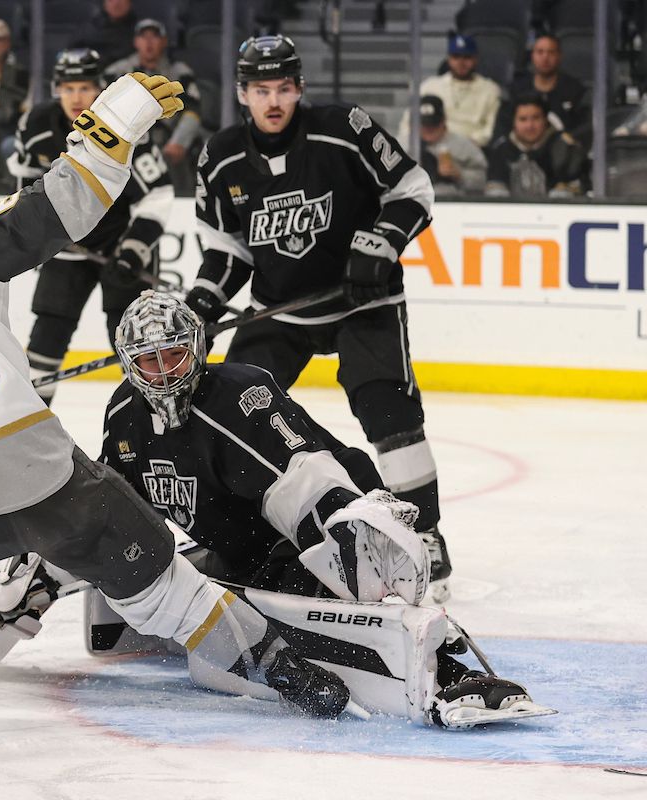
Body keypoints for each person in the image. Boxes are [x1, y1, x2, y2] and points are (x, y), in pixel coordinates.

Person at [0, 73, 354, 720]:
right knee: (159, 582)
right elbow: (60, 206)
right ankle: (282, 668)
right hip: (31, 471)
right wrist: (114, 126)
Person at [84, 290, 550, 729]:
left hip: (310, 532)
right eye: (149, 359)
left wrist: (347, 540)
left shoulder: (238, 396)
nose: (164, 373)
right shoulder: (123, 414)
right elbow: (107, 512)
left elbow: (309, 482)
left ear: (197, 348)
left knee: (332, 591)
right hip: (237, 552)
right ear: (129, 364)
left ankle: (446, 673)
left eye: (174, 354)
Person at [183, 36, 452, 602]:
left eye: (283, 88)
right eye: (261, 90)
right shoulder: (222, 157)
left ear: (299, 88)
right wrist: (205, 301)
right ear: (242, 94)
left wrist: (380, 241)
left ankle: (424, 534)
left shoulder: (343, 128)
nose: (273, 100)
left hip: (363, 299)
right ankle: (239, 537)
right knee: (230, 410)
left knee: (385, 404)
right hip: (281, 308)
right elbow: (228, 247)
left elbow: (412, 187)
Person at [8, 48, 175, 406]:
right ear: (56, 89)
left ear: (100, 88)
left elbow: (158, 195)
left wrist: (135, 249)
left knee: (136, 335)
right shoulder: (36, 124)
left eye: (84, 87)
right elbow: (24, 184)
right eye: (68, 88)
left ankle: (150, 415)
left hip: (121, 244)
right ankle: (30, 420)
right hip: (65, 242)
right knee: (48, 333)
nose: (76, 97)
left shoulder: (125, 124)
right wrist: (41, 235)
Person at [104, 18, 202, 170]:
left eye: (154, 36)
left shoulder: (180, 73)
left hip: (169, 143)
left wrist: (179, 142)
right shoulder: (117, 72)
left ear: (164, 41)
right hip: (126, 141)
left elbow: (193, 111)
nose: (148, 42)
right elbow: (102, 109)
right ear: (136, 41)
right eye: (143, 37)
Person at [400, 33, 501, 149]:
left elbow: (489, 131)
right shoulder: (430, 86)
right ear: (448, 58)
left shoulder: (490, 89)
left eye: (467, 57)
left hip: (471, 149)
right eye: (456, 57)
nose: (461, 63)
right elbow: (407, 124)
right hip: (430, 147)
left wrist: (460, 145)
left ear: (475, 59)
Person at [485, 93, 587, 198]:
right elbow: (495, 192)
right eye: (523, 119)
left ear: (546, 120)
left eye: (536, 118)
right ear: (513, 122)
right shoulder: (501, 150)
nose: (530, 125)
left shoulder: (565, 149)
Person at [500, 33, 588, 143]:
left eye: (551, 52)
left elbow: (583, 128)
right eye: (540, 52)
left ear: (560, 56)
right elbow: (504, 126)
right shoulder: (517, 88)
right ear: (532, 55)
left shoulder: (575, 90)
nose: (545, 57)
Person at [418, 94, 486, 197]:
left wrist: (460, 174)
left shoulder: (463, 146)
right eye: (424, 124)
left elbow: (483, 179)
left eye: (433, 124)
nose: (429, 129)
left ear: (444, 120)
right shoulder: (403, 146)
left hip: (453, 203)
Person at [71, 0, 136, 69]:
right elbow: (72, 54)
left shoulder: (140, 30)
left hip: (128, 73)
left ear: (129, 2)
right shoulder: (88, 28)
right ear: (104, 3)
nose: (116, 3)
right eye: (111, 0)